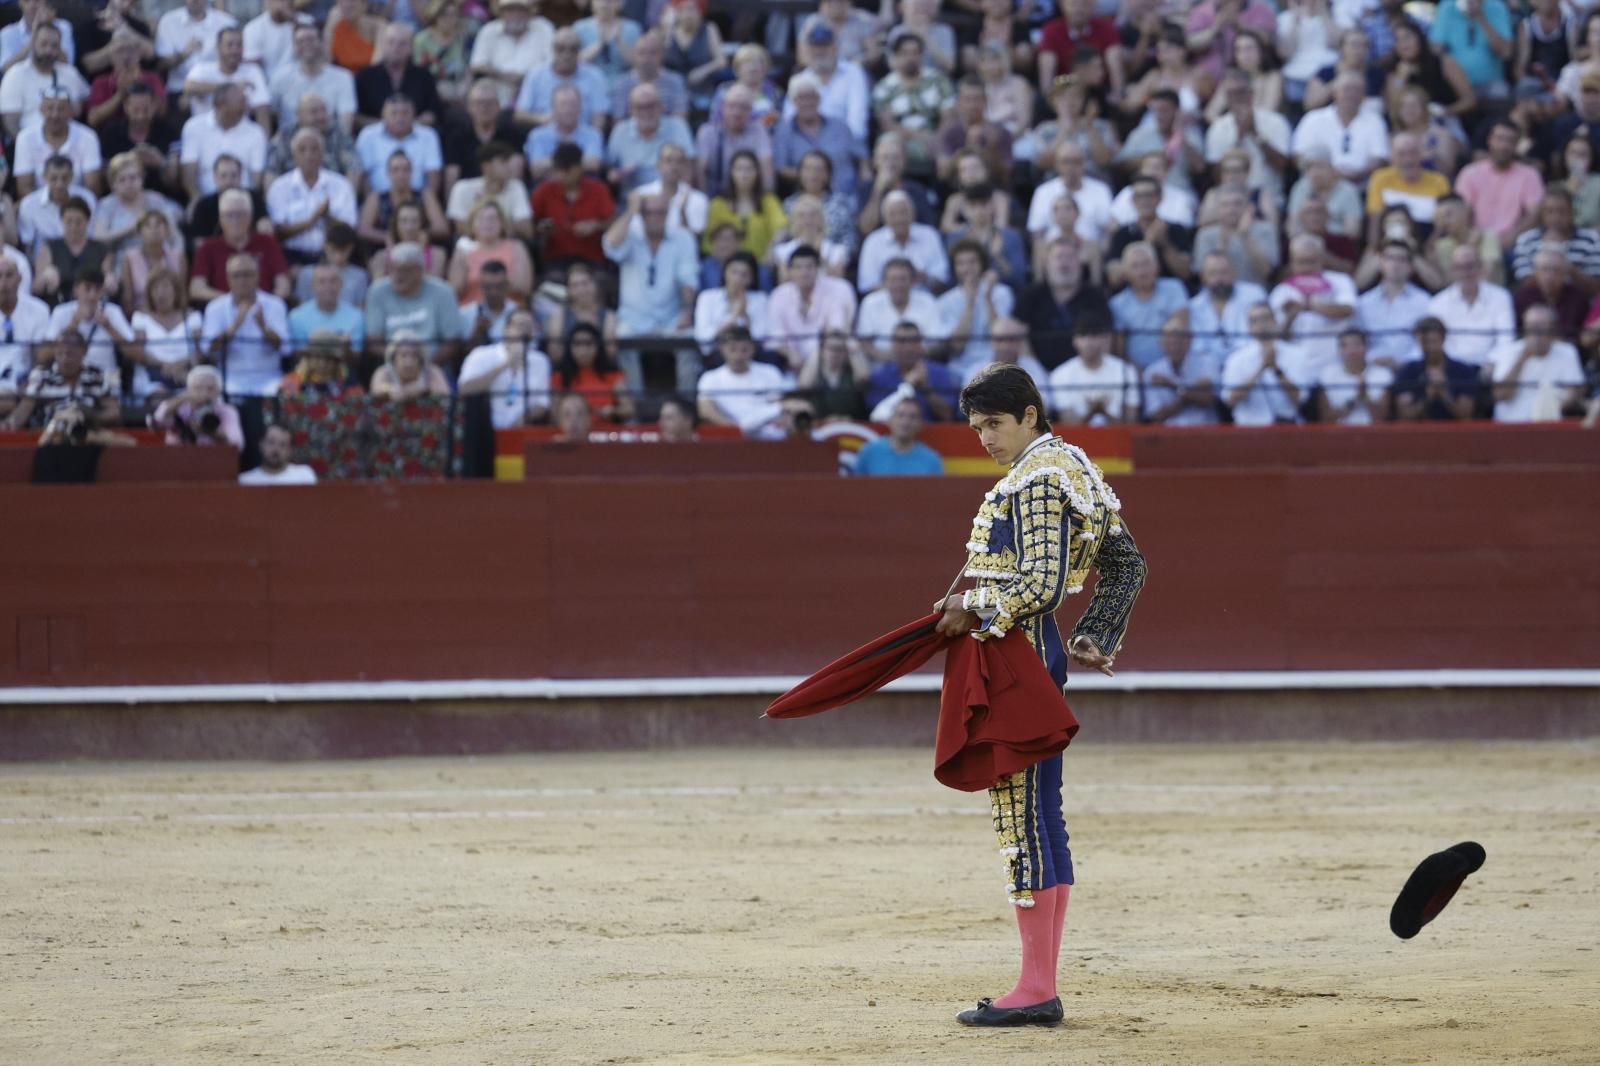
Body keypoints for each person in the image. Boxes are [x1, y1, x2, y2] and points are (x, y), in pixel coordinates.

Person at [936, 362, 1144, 1028]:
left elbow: (1041, 586)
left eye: (994, 424)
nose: (986, 440)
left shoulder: (1037, 477)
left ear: (1030, 413)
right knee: (1042, 814)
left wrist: (972, 602)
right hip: (1039, 652)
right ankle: (1038, 982)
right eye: (975, 429)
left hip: (1015, 657)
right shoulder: (1071, 464)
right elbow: (1126, 563)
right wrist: (1095, 635)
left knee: (1022, 819)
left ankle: (1035, 988)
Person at [604, 190, 700, 395]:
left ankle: (686, 408)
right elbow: (609, 245)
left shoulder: (683, 238)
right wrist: (631, 210)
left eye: (660, 212)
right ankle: (635, 413)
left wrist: (687, 311)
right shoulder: (630, 236)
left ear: (667, 214)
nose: (654, 217)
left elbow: (688, 280)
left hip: (671, 317)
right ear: (641, 214)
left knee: (689, 341)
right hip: (633, 319)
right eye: (648, 212)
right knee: (623, 341)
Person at [1269, 234, 1359, 379]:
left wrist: (1308, 305)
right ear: (1292, 263)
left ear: (1322, 260)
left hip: (1335, 368)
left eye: (1312, 262)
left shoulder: (1341, 281)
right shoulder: (1281, 291)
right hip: (1297, 370)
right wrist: (1290, 317)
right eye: (1301, 262)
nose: (1307, 268)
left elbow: (1347, 310)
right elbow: (1277, 337)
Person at [1016, 239, 1112, 372]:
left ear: (1080, 263)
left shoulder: (1095, 297)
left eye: (1070, 257)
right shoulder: (1031, 296)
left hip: (1083, 374)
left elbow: (1106, 337)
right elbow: (1019, 337)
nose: (1064, 262)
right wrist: (1036, 372)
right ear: (1047, 264)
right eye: (1058, 257)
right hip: (1037, 374)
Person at [266, 128, 358, 266]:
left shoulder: (341, 185)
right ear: (294, 155)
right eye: (302, 150)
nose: (309, 155)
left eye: (314, 149)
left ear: (323, 153)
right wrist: (313, 219)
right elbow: (278, 232)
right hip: (291, 257)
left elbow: (349, 231)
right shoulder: (280, 187)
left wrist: (327, 217)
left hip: (332, 258)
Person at [363, 242, 465, 366]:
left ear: (420, 271)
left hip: (435, 363)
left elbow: (452, 341)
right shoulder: (378, 291)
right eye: (392, 269)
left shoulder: (443, 292)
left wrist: (424, 366)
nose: (397, 275)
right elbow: (373, 342)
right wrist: (402, 363)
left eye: (404, 270)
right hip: (391, 364)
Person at [192, 189, 292, 304]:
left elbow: (283, 285)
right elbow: (196, 288)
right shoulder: (208, 248)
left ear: (250, 217)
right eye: (229, 215)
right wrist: (231, 301)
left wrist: (268, 304)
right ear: (221, 219)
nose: (235, 220)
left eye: (240, 214)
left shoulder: (267, 242)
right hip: (224, 312)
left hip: (262, 309)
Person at [1489, 304, 1586, 422]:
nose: (1536, 333)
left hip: (1551, 425)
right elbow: (1500, 395)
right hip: (1512, 425)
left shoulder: (1567, 352)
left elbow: (1575, 391)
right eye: (1532, 327)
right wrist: (1522, 358)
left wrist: (1555, 405)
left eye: (1541, 327)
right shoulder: (1508, 351)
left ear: (1552, 330)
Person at [1455, 120, 1545, 247]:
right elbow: (1462, 212)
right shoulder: (1470, 173)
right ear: (1489, 140)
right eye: (1499, 139)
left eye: (1510, 141)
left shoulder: (1530, 175)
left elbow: (1534, 215)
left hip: (1514, 242)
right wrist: (1471, 239)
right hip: (1475, 239)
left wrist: (1512, 237)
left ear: (1516, 145)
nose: (1503, 145)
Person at [3, 331, 118, 429]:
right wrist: (7, 425)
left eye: (70, 354)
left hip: (88, 437)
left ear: (84, 351)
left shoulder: (98, 376)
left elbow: (114, 413)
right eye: (60, 354)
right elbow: (24, 409)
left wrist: (88, 416)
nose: (64, 359)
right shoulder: (41, 375)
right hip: (50, 438)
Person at [767, 244, 858, 369]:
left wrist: (811, 362)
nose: (804, 273)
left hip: (828, 359)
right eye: (798, 268)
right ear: (790, 272)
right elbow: (776, 335)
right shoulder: (779, 294)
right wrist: (791, 354)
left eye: (809, 267)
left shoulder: (839, 289)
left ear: (818, 269)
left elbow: (836, 330)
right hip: (789, 361)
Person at [458, 307, 551, 427]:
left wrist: (518, 424)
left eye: (529, 327)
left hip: (521, 429)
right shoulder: (480, 355)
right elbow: (465, 389)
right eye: (519, 326)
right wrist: (505, 365)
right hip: (483, 429)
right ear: (505, 329)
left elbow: (542, 404)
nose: (524, 331)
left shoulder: (540, 361)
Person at [1426, 245, 1516, 368]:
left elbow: (1506, 340)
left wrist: (1492, 362)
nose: (1466, 272)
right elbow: (1438, 345)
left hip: (1491, 367)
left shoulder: (1500, 297)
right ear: (1452, 270)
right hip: (1452, 370)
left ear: (1480, 267)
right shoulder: (1437, 303)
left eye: (1470, 266)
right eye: (1460, 267)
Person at [531, 142, 617, 268]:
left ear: (580, 167)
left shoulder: (598, 189)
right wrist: (542, 228)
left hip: (592, 259)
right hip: (555, 259)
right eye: (560, 171)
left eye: (568, 171)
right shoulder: (544, 191)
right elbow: (531, 224)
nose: (563, 176)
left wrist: (595, 226)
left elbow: (613, 221)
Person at [1223, 303, 1311, 425]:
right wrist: (1261, 367)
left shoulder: (1296, 355)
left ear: (1275, 321)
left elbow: (1300, 399)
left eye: (1265, 318)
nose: (1261, 324)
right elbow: (1230, 400)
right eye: (1255, 321)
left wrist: (1276, 369)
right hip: (1249, 430)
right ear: (1249, 327)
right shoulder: (1237, 359)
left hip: (1287, 429)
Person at [695, 325, 790, 436]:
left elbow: (776, 406)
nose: (738, 356)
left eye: (744, 350)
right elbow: (706, 410)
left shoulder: (770, 372)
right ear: (722, 349)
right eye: (732, 349)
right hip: (729, 436)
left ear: (753, 348)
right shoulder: (709, 378)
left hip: (765, 433)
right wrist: (735, 430)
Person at [0, 22, 89, 136]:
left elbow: (80, 107)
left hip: (68, 142)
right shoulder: (15, 74)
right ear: (33, 44)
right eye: (44, 44)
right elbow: (10, 123)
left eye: (54, 46)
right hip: (30, 142)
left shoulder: (70, 73)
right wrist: (26, 146)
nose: (48, 50)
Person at [1110, 243, 1188, 372]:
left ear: (1157, 266)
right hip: (1135, 372)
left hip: (1175, 367)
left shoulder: (1174, 288)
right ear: (1126, 272)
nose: (1142, 271)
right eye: (1135, 266)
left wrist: (1167, 370)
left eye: (1146, 263)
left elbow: (1182, 332)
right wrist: (1139, 374)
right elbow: (1119, 350)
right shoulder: (1117, 304)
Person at [1047, 316, 1138, 426]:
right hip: (1077, 441)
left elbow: (1132, 423)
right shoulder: (1060, 374)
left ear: (1105, 339)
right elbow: (1068, 424)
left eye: (1094, 335)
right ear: (1074, 340)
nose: (1088, 342)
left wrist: (1103, 411)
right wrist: (1092, 411)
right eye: (1082, 335)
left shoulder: (1126, 371)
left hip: (1118, 439)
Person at [269, 22, 357, 133]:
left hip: (330, 142)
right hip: (290, 142)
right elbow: (270, 114)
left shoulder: (343, 78)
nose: (306, 44)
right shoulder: (279, 78)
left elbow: (345, 125)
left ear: (321, 42)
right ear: (294, 46)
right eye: (300, 41)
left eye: (311, 39)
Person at [127, 268, 200, 398]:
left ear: (176, 291)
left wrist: (181, 364)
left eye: (166, 287)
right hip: (151, 377)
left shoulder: (193, 317)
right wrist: (165, 366)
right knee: (159, 396)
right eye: (155, 289)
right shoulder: (140, 317)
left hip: (185, 374)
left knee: (192, 396)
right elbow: (138, 352)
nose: (161, 293)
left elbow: (201, 351)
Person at [1358, 241, 1432, 368]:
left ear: (1411, 267)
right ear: (1381, 263)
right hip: (1371, 370)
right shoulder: (1364, 302)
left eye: (1402, 259)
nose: (1395, 264)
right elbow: (1358, 340)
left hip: (1411, 370)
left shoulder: (1424, 301)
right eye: (1390, 258)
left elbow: (1427, 341)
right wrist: (1372, 359)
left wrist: (1403, 363)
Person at [15, 88, 102, 197]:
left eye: (61, 109)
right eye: (50, 108)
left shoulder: (88, 137)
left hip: (78, 206)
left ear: (71, 111)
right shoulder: (25, 138)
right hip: (39, 206)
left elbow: (92, 186)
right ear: (41, 110)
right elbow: (24, 187)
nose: (55, 115)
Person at [858, 190, 949, 293]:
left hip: (924, 299)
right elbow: (867, 284)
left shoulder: (930, 235)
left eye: (903, 212)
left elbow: (942, 278)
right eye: (893, 214)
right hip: (885, 302)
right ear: (884, 218)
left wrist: (924, 278)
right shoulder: (873, 241)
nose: (899, 219)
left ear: (913, 214)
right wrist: (897, 286)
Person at [1391, 317, 1480, 421]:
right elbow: (1405, 416)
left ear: (1443, 339)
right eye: (1425, 343)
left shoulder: (1463, 371)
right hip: (1419, 433)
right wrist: (1428, 397)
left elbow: (1466, 415)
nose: (1430, 348)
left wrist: (1444, 394)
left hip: (1455, 433)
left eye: (1433, 341)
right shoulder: (1407, 371)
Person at [354, 94, 443, 199]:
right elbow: (363, 176)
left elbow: (433, 176)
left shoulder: (428, 135)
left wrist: (425, 205)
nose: (400, 118)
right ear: (383, 115)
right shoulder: (368, 135)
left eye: (405, 113)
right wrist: (374, 204)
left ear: (414, 114)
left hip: (417, 201)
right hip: (378, 201)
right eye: (394, 113)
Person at [865, 321, 957, 420]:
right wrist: (907, 385)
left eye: (914, 341)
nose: (908, 348)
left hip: (935, 433)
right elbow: (877, 417)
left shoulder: (940, 373)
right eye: (902, 341)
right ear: (893, 345)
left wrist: (926, 388)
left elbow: (948, 416)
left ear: (922, 344)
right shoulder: (881, 376)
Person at [469, 0, 553, 109]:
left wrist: (527, 78)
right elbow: (477, 66)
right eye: (510, 10)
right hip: (498, 97)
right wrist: (504, 76)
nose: (515, 15)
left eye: (520, 10)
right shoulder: (489, 31)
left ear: (529, 12)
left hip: (536, 92)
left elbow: (553, 63)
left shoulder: (543, 28)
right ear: (501, 13)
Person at [355, 23, 441, 127]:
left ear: (411, 48)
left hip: (416, 134)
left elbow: (433, 112)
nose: (396, 48)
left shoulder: (424, 76)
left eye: (402, 43)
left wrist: (407, 128)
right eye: (391, 42)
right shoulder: (365, 76)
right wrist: (386, 127)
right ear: (383, 45)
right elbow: (356, 116)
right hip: (375, 137)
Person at [447, 200, 532, 305]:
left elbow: (524, 289)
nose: (487, 223)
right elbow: (454, 291)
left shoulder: (517, 247)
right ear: (472, 224)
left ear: (502, 224)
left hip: (510, 313)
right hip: (472, 312)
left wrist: (494, 281)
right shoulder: (463, 249)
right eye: (481, 218)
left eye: (493, 218)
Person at [1142, 312, 1219, 426]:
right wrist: (1189, 395)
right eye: (1169, 340)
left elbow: (1209, 400)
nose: (1174, 345)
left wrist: (1172, 386)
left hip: (1204, 432)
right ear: (1160, 343)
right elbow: (1156, 415)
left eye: (1179, 339)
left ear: (1190, 340)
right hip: (1168, 436)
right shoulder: (1152, 371)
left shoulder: (1207, 362)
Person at [149, 364, 244, 448]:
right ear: (188, 390)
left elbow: (236, 445)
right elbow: (157, 421)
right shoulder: (179, 407)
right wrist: (182, 399)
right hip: (178, 459)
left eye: (210, 389)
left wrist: (211, 433)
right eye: (198, 388)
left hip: (212, 461)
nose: (204, 393)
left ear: (218, 391)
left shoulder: (227, 411)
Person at [553, 322, 632, 423]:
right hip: (573, 436)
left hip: (607, 434)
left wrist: (612, 411)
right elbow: (554, 415)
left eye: (588, 344)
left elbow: (629, 409)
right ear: (569, 348)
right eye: (577, 344)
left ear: (598, 346)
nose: (583, 350)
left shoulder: (612, 374)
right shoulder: (560, 376)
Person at [527, 84, 605, 180]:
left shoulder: (593, 134)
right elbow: (536, 169)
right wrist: (578, 164)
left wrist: (553, 164)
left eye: (572, 105)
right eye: (563, 105)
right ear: (553, 108)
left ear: (580, 108)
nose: (568, 110)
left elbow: (594, 164)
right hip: (547, 188)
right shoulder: (537, 135)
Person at [1317, 328, 1393, 424]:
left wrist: (1365, 397)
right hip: (1339, 434)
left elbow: (1382, 418)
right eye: (1345, 346)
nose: (1352, 351)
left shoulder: (1382, 374)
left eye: (1357, 345)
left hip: (1373, 433)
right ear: (1339, 350)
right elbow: (1326, 419)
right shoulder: (1327, 375)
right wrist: (1354, 401)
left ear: (1366, 347)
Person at [853, 396, 943, 475]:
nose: (905, 422)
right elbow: (857, 489)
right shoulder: (869, 452)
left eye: (912, 417)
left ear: (920, 424)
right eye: (900, 415)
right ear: (889, 420)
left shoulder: (931, 460)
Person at [289, 261, 365, 351]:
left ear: (341, 284)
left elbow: (356, 359)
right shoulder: (296, 317)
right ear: (313, 285)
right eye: (322, 282)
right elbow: (298, 356)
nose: (328, 286)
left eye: (333, 281)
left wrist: (346, 349)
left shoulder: (356, 316)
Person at [371, 331, 451, 399]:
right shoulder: (384, 371)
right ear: (393, 357)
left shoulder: (432, 370)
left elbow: (445, 394)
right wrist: (390, 390)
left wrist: (424, 389)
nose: (409, 362)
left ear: (420, 358)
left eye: (414, 355)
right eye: (403, 355)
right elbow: (375, 390)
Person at [239, 422, 318, 484]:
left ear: (290, 450)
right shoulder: (245, 481)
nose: (276, 449)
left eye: (282, 444)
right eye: (271, 442)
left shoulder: (304, 476)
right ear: (261, 445)